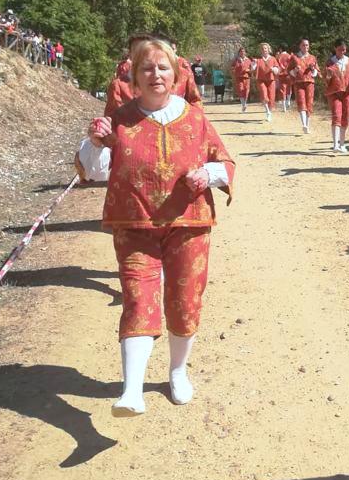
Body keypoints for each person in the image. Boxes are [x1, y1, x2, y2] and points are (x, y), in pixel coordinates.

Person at [76, 38, 235, 417]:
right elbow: (93, 171)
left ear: (176, 73)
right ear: (133, 76)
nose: (155, 74)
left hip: (189, 224)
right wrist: (95, 143)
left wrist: (208, 174)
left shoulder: (195, 118)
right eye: (146, 68)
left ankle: (177, 371)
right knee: (138, 300)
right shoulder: (119, 120)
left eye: (163, 67)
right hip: (134, 224)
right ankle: (132, 391)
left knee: (183, 304)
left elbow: (225, 161)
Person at [325, 38, 349, 152]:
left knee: (346, 116)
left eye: (344, 50)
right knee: (336, 115)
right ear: (335, 49)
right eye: (340, 50)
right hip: (334, 92)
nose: (342, 52)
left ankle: (342, 144)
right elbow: (326, 79)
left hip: (348, 92)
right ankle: (335, 144)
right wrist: (328, 76)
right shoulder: (330, 62)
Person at [288, 38, 320, 134]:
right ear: (300, 46)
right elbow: (289, 71)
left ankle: (307, 124)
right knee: (301, 102)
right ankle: (304, 125)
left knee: (309, 103)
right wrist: (295, 70)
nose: (305, 47)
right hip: (298, 82)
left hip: (310, 82)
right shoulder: (294, 57)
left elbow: (316, 73)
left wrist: (313, 69)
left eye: (307, 45)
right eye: (303, 45)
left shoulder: (312, 57)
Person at [252, 43, 280, 122]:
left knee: (271, 97)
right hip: (261, 80)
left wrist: (274, 69)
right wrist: (253, 64)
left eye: (265, 48)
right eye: (263, 48)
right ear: (261, 50)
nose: (264, 50)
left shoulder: (273, 59)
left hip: (271, 80)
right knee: (264, 95)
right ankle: (267, 111)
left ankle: (270, 112)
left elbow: (277, 70)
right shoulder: (258, 60)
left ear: (268, 50)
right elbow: (253, 68)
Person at [231, 47, 253, 112]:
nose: (242, 52)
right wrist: (234, 71)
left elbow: (251, 69)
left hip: (246, 77)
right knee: (240, 90)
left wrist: (248, 70)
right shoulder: (236, 60)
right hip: (239, 77)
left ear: (245, 52)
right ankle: (243, 105)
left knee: (246, 91)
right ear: (239, 53)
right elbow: (232, 67)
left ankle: (244, 104)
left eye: (243, 51)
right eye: (241, 51)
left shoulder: (248, 60)